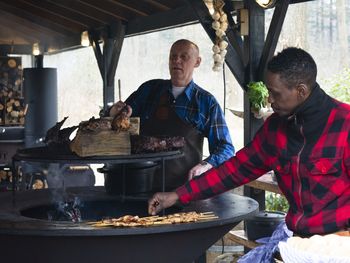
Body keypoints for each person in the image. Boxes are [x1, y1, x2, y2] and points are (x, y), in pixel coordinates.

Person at [148, 47, 350, 238]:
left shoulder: (345, 125)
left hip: (341, 242)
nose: (270, 99)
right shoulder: (274, 128)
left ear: (301, 91)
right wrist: (177, 195)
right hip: (298, 240)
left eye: (276, 93)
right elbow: (235, 170)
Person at [107, 39, 234, 191]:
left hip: (182, 191)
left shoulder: (205, 102)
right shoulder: (149, 90)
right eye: (173, 56)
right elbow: (118, 121)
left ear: (197, 62)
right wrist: (113, 113)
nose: (177, 60)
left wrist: (205, 165)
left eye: (184, 57)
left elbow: (225, 147)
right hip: (138, 185)